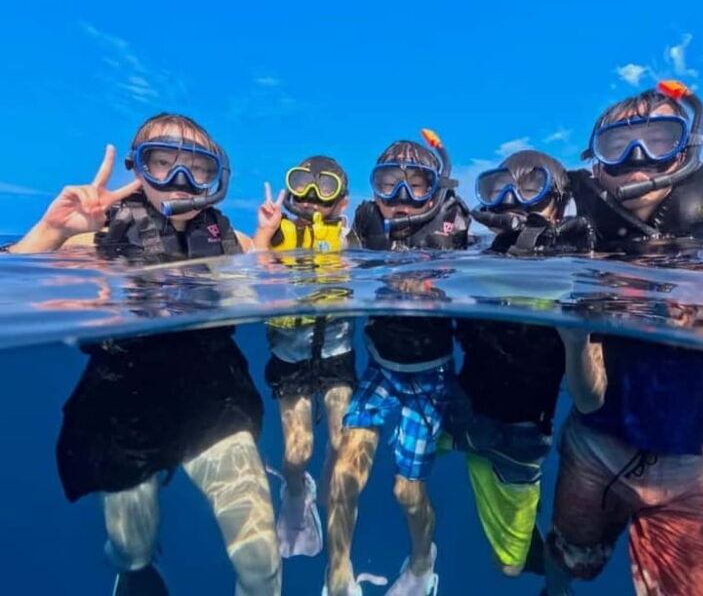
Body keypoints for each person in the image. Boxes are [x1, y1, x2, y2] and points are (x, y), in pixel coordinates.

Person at [11, 113, 281, 595]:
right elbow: (11, 289)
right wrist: (50, 231)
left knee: (261, 563)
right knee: (131, 549)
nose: (179, 179)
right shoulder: (95, 238)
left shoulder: (231, 242)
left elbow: (269, 281)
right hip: (123, 405)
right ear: (138, 170)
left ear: (214, 176)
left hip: (214, 398)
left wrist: (263, 244)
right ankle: (132, 569)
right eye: (162, 163)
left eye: (195, 167)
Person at [543, 82, 703, 596]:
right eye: (618, 147)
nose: (638, 161)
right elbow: (587, 398)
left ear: (686, 151)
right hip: (594, 447)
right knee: (573, 560)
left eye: (659, 140)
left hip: (696, 464)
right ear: (597, 168)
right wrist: (575, 340)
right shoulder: (579, 253)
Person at [324, 130, 470, 596]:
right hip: (381, 370)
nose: (401, 198)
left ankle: (423, 562)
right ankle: (337, 573)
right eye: (389, 184)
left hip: (430, 376)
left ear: (435, 189)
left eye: (416, 185)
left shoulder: (452, 223)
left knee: (406, 493)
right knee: (343, 475)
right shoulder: (366, 222)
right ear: (375, 190)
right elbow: (338, 262)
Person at [442, 150, 577, 577]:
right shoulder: (475, 258)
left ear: (559, 205)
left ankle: (550, 569)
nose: (511, 202)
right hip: (462, 413)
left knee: (510, 568)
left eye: (532, 189)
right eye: (498, 190)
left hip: (518, 441)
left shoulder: (575, 263)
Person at [253, 156, 356, 560]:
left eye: (324, 188)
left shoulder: (348, 237)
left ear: (341, 202)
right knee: (297, 453)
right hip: (290, 355)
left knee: (341, 442)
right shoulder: (278, 231)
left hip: (336, 352)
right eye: (302, 185)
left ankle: (329, 491)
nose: (311, 196)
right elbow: (253, 266)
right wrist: (264, 234)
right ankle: (295, 490)